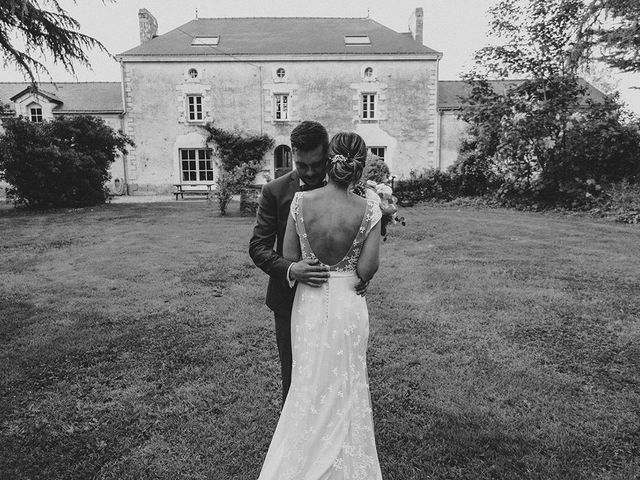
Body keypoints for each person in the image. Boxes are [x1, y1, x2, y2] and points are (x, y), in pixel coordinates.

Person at [258, 132, 383, 479]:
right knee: (347, 381)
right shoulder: (370, 207)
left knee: (308, 379)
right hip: (348, 302)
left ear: (330, 162)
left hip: (310, 299)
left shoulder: (300, 203)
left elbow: (289, 257)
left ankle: (301, 457)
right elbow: (366, 271)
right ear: (359, 169)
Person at [250, 121, 371, 405]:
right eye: (302, 165)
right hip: (289, 299)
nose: (311, 172)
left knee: (334, 373)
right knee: (295, 374)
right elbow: (258, 247)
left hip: (337, 304)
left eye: (317, 164)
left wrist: (359, 274)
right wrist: (291, 268)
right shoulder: (275, 191)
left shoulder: (352, 192)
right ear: (293, 155)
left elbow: (361, 240)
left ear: (328, 155)